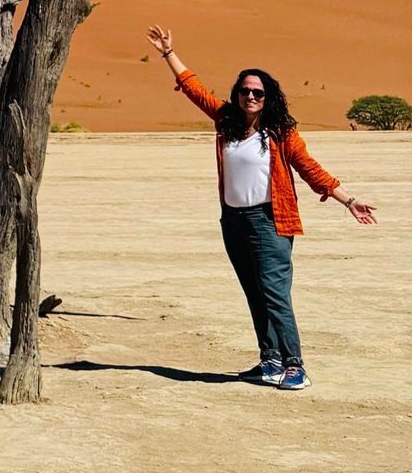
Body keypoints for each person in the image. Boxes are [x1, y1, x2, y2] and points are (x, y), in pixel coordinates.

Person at [146, 26, 377, 390]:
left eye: (257, 92)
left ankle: (295, 365)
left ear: (268, 98)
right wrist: (168, 54)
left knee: (274, 293)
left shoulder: (281, 134)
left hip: (271, 222)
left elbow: (309, 168)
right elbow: (194, 89)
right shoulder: (227, 122)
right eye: (245, 91)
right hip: (234, 222)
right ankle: (270, 361)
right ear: (237, 95)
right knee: (254, 292)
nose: (250, 96)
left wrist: (347, 199)